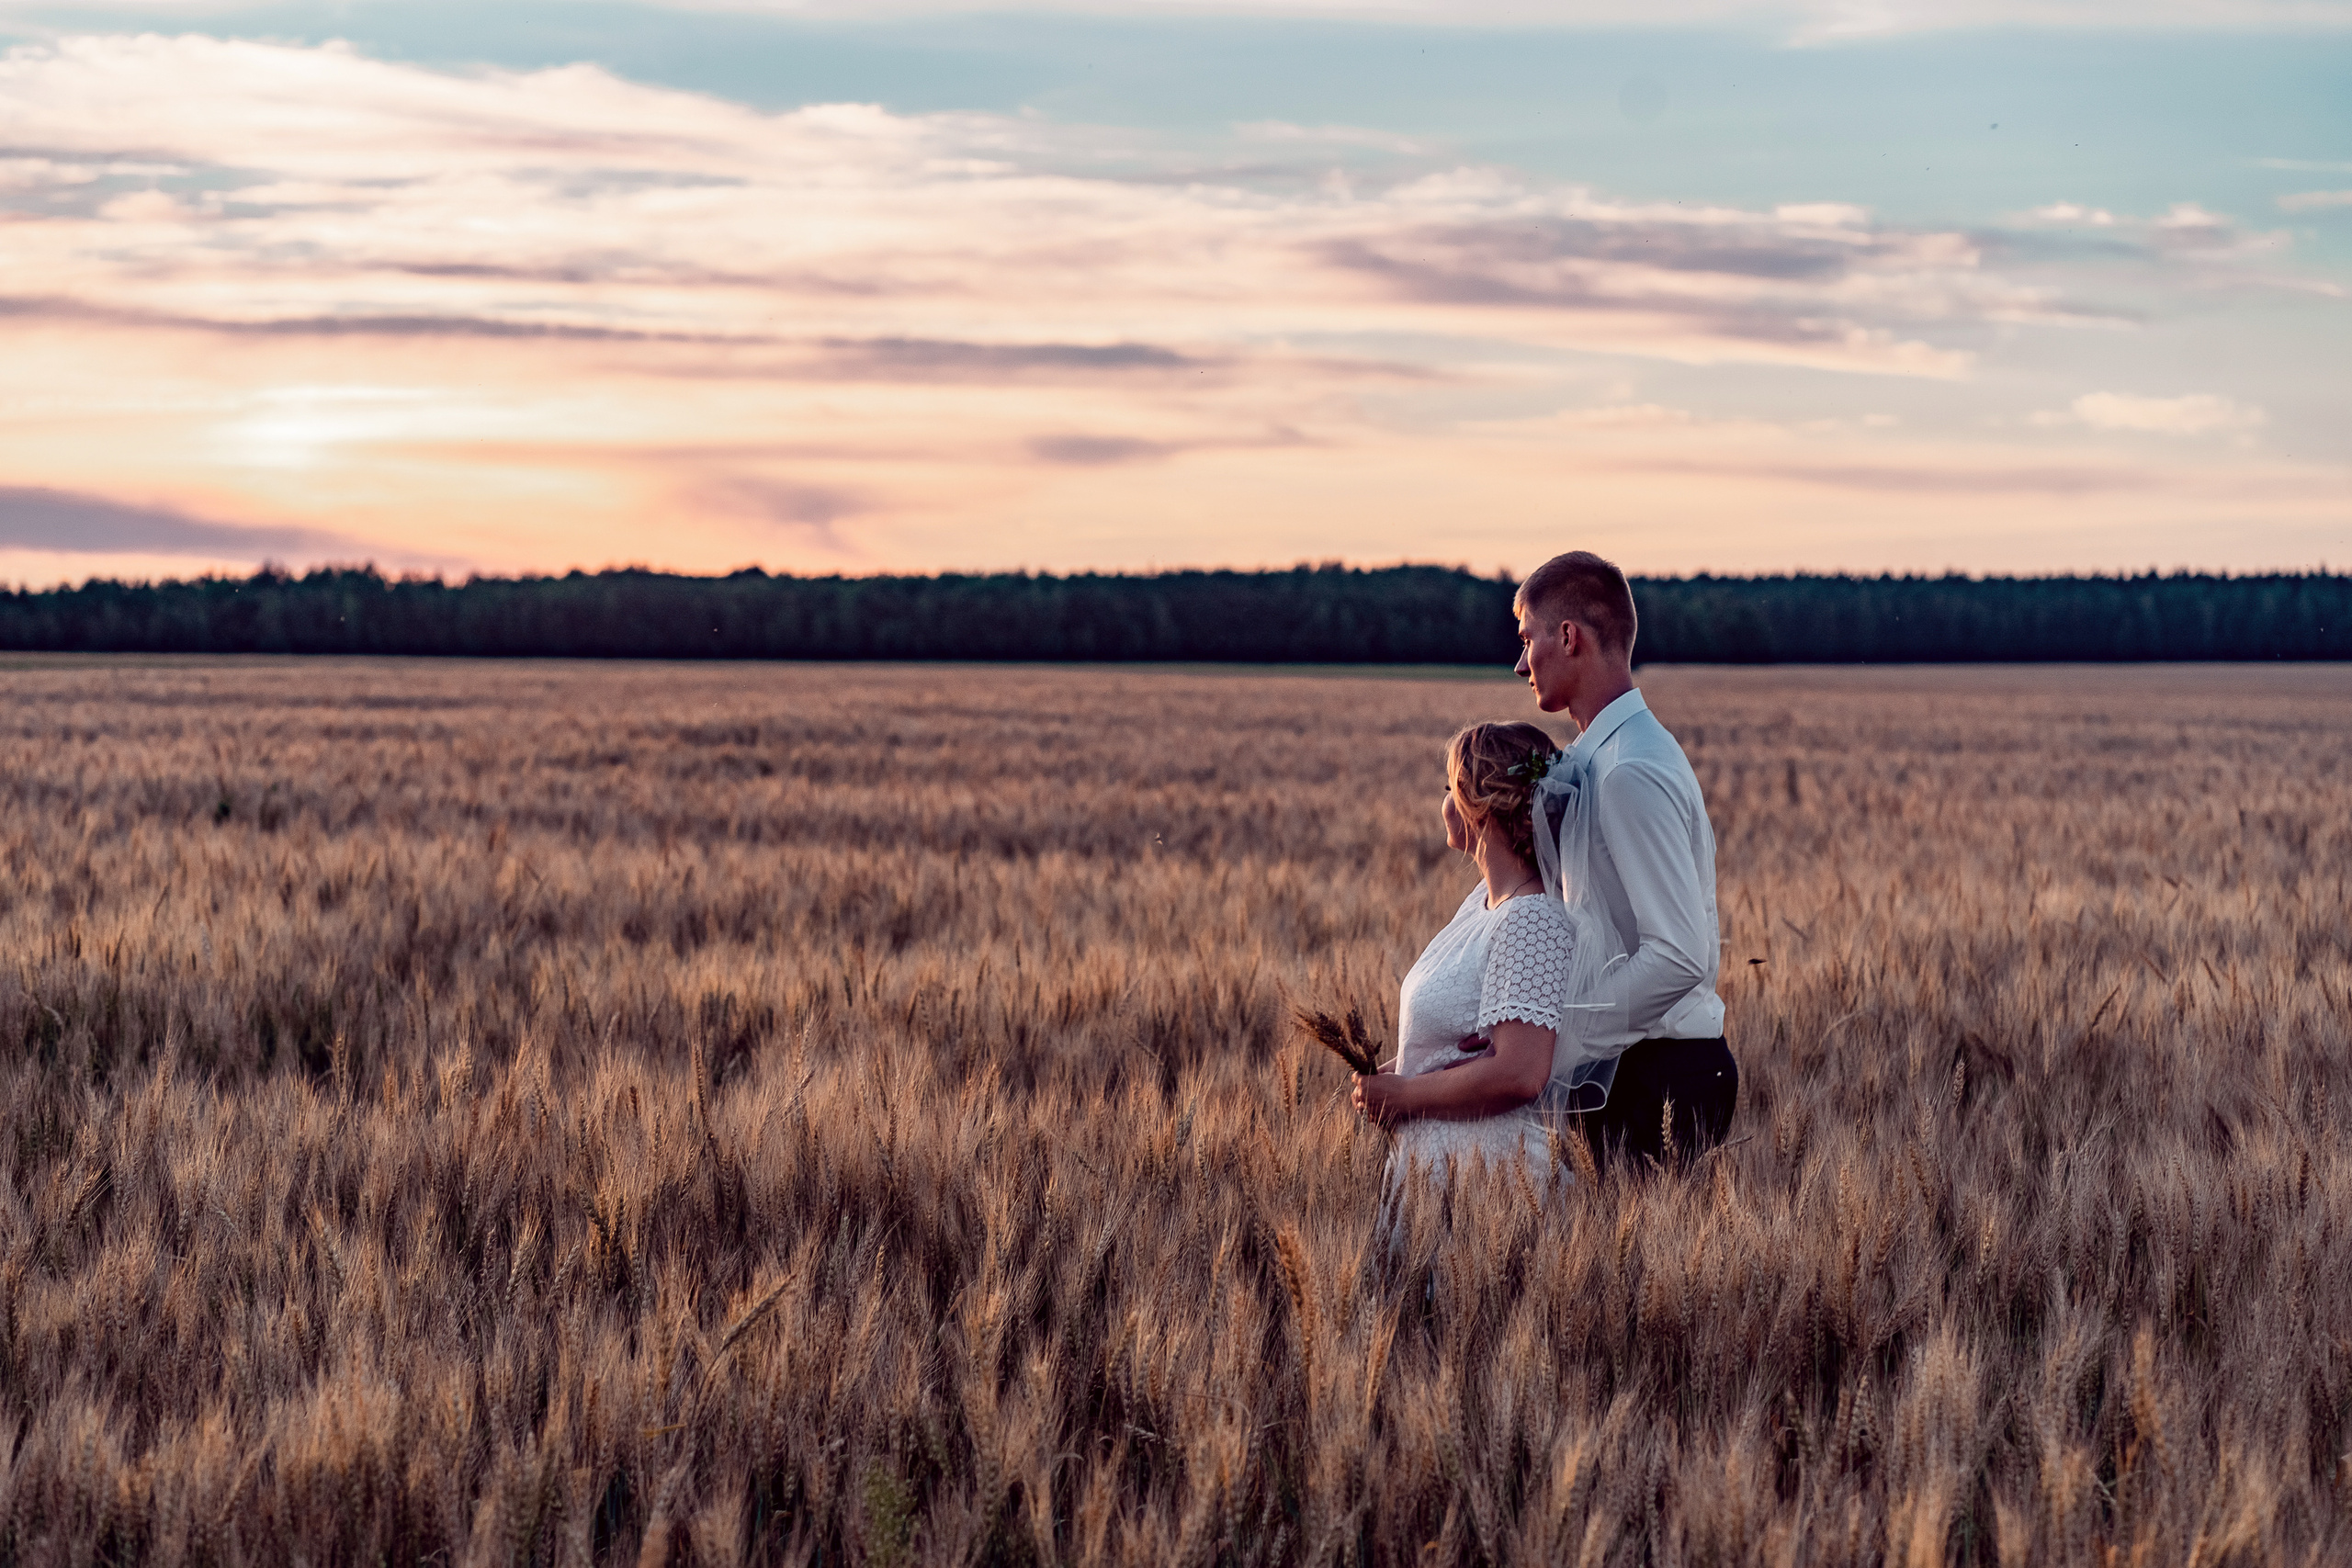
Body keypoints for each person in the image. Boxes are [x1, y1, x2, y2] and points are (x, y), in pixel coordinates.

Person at [1513, 549, 1736, 1172]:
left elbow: (1679, 954)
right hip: (1632, 1069)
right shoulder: (1601, 758)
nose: (1519, 662)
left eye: (1527, 638)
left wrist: (1560, 1041)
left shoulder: (1629, 770)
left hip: (1656, 1079)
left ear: (1568, 636)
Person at [1349, 721, 1592, 1188]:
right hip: (1443, 1171)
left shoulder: (1531, 919)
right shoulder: (1483, 902)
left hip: (1489, 1179)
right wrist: (1402, 1073)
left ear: (1481, 808)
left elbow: (1520, 1072)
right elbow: (1471, 1036)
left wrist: (1407, 1096)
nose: (1444, 802)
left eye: (1450, 788)